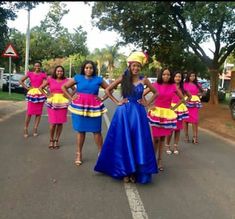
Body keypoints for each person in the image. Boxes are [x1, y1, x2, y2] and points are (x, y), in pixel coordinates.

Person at [94, 51, 158, 184]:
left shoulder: (144, 79)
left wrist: (147, 103)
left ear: (140, 68)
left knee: (137, 141)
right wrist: (117, 102)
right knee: (123, 141)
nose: (136, 68)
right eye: (134, 66)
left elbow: (155, 92)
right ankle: (124, 171)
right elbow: (107, 90)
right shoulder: (123, 78)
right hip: (124, 113)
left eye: (138, 66)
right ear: (129, 66)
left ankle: (135, 171)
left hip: (139, 114)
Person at [62, 60, 109, 166]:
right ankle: (79, 154)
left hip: (94, 108)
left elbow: (109, 89)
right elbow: (64, 87)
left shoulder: (99, 79)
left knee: (97, 131)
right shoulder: (78, 77)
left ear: (94, 69)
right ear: (83, 68)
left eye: (91, 68)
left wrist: (102, 98)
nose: (89, 69)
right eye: (87, 67)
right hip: (79, 107)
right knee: (81, 131)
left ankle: (101, 154)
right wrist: (71, 98)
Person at [145, 68, 185, 171]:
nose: (166, 76)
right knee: (156, 138)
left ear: (170, 76)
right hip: (156, 114)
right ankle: (152, 159)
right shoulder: (155, 85)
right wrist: (148, 105)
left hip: (167, 114)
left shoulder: (173, 86)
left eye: (168, 74)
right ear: (161, 75)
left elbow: (182, 99)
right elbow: (142, 94)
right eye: (164, 74)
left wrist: (174, 108)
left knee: (162, 138)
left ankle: (159, 160)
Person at [39, 65, 75, 149]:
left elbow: (74, 89)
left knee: (59, 123)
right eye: (58, 71)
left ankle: (57, 140)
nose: (59, 72)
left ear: (63, 72)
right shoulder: (50, 79)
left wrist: (69, 96)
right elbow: (41, 88)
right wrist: (47, 95)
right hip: (52, 103)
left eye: (61, 71)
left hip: (62, 103)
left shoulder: (66, 80)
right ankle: (51, 140)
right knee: (53, 123)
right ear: (55, 71)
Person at [19, 62, 47, 138]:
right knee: (29, 112)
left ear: (40, 67)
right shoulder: (30, 73)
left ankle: (35, 128)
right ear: (34, 67)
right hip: (32, 94)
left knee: (38, 113)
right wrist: (27, 88)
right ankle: (25, 128)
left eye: (38, 66)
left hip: (40, 94)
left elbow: (45, 84)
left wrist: (44, 88)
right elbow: (21, 81)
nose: (37, 67)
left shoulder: (43, 75)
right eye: (36, 66)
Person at [165, 71, 190, 155]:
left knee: (178, 129)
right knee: (170, 129)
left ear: (181, 78)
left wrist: (185, 102)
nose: (178, 78)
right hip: (171, 109)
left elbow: (189, 96)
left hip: (179, 110)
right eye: (176, 76)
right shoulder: (169, 86)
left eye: (179, 76)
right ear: (173, 77)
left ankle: (175, 146)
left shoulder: (183, 88)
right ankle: (167, 145)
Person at [183, 71, 204, 144]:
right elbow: (181, 93)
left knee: (195, 120)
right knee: (185, 120)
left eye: (194, 76)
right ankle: (186, 136)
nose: (192, 77)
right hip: (187, 103)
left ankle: (195, 137)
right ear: (188, 76)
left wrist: (199, 94)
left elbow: (203, 92)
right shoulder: (184, 84)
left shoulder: (198, 84)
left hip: (194, 104)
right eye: (191, 76)